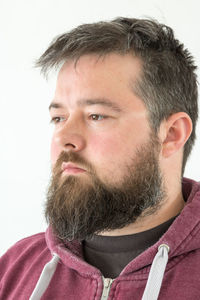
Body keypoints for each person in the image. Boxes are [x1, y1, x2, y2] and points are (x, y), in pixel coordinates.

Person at [0, 17, 199, 300]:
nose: (64, 138)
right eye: (58, 118)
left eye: (96, 115)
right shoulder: (13, 271)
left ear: (171, 134)